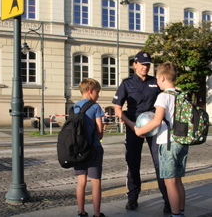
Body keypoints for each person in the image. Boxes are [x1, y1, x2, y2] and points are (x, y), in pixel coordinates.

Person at [112, 51, 170, 212]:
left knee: (160, 164)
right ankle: (132, 198)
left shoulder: (155, 82)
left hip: (154, 127)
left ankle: (167, 199)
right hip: (134, 127)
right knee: (132, 163)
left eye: (148, 64)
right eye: (142, 64)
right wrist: (132, 126)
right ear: (135, 64)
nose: (145, 67)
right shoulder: (126, 83)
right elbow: (118, 109)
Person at [135, 62, 188, 217]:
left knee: (170, 182)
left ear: (162, 77)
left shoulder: (163, 96)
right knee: (178, 181)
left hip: (168, 143)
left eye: (157, 79)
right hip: (182, 142)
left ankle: (176, 214)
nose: (157, 82)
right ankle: (182, 211)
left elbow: (156, 121)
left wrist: (139, 130)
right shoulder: (181, 94)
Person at [74, 78, 105, 217]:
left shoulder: (74, 107)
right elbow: (99, 133)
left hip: (79, 149)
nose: (98, 96)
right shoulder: (95, 107)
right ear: (90, 91)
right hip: (93, 148)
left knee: (81, 182)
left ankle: (81, 212)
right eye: (97, 92)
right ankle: (97, 214)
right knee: (96, 181)